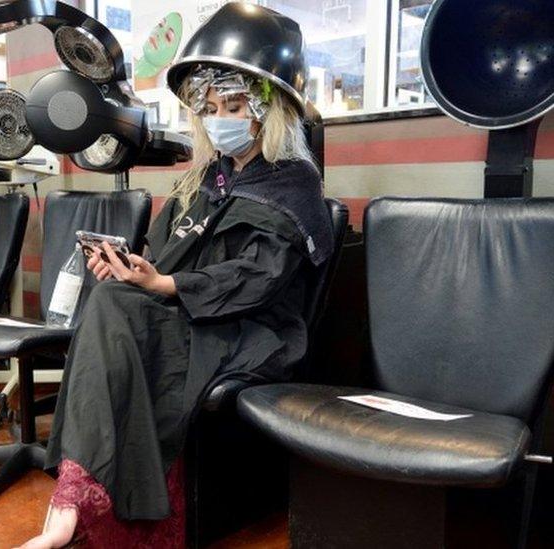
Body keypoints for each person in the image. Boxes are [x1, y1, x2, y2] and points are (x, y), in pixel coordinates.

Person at [18, 4, 334, 548]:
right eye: (208, 108)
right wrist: (131, 269)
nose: (218, 118)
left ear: (268, 107)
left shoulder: (293, 184)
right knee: (114, 297)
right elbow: (159, 257)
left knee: (118, 308)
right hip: (187, 316)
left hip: (253, 330)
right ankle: (81, 504)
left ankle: (78, 509)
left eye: (231, 104)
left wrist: (162, 286)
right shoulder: (203, 180)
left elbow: (259, 277)